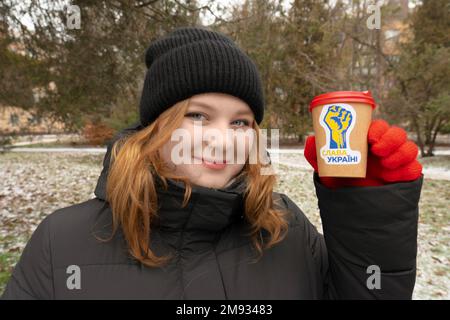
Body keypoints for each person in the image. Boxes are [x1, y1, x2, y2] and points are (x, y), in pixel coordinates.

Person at [1, 26, 423, 300]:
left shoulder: (283, 226)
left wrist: (367, 211)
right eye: (198, 115)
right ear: (155, 127)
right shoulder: (62, 241)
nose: (222, 139)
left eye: (240, 122)